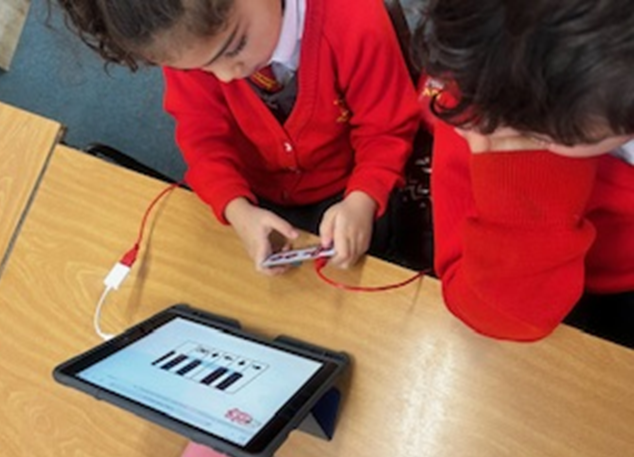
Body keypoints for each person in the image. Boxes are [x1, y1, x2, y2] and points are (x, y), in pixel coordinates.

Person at [56, 0, 420, 274]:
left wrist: (362, 201)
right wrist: (237, 209)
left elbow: (386, 129)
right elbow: (202, 136)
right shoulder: (191, 38)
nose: (226, 76)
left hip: (354, 187)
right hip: (258, 196)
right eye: (202, 68)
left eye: (234, 47)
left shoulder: (352, 20)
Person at [413, 0, 634, 342]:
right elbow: (491, 309)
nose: (508, 130)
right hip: (560, 287)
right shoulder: (483, 108)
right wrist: (515, 161)